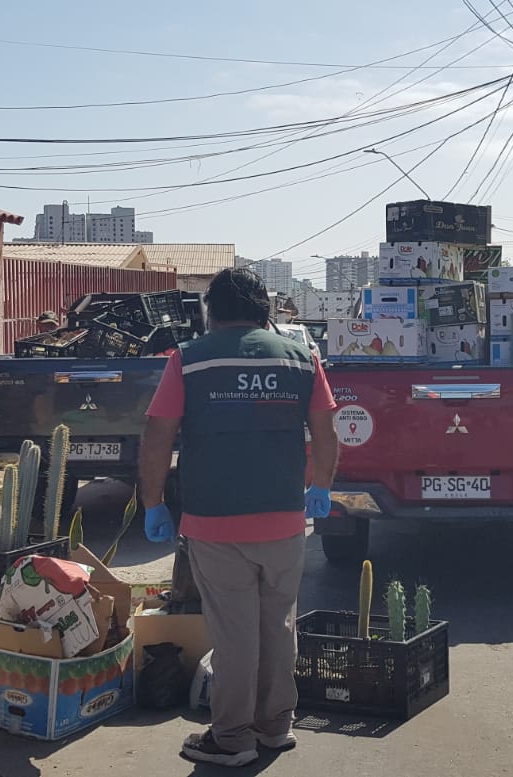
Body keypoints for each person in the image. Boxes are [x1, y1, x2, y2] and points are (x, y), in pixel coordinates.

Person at [138, 268, 338, 767]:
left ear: (213, 310)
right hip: (285, 521)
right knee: (278, 626)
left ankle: (231, 739)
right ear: (262, 309)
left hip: (215, 521)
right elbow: (326, 431)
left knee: (234, 635)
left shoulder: (188, 360)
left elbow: (158, 434)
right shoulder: (302, 358)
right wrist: (322, 488)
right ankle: (275, 727)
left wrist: (154, 502)